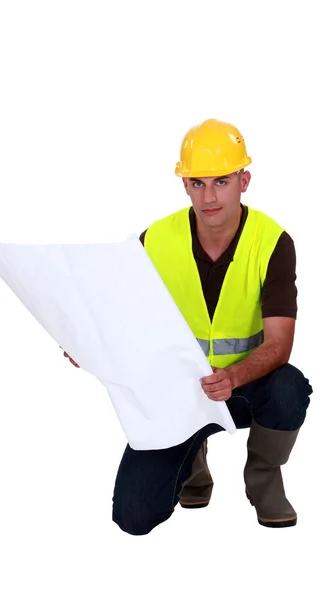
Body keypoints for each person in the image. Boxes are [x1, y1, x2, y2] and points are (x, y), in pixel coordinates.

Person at [64, 118, 312, 533]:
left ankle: (263, 479)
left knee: (290, 389)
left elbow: (279, 343)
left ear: (244, 180)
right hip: (179, 392)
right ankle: (194, 466)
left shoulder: (272, 242)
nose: (209, 196)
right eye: (197, 183)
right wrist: (89, 343)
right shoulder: (155, 240)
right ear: (183, 185)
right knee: (134, 517)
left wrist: (233, 376)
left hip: (246, 386)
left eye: (221, 181)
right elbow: (122, 317)